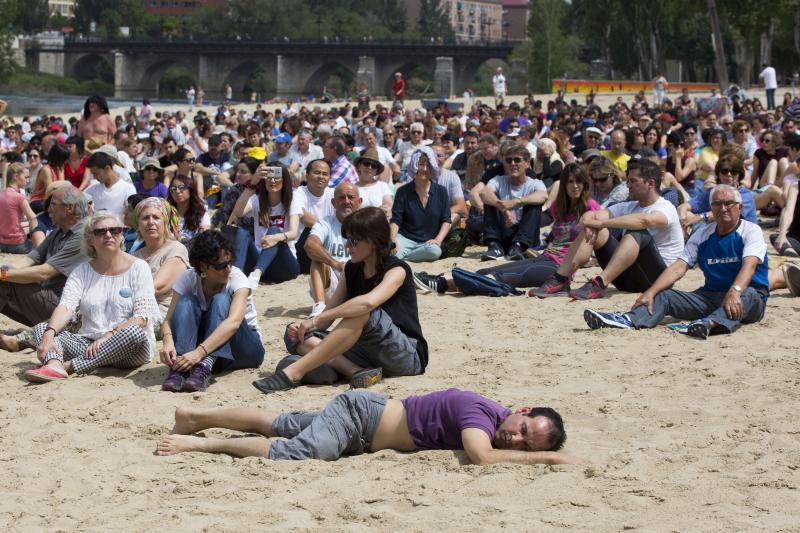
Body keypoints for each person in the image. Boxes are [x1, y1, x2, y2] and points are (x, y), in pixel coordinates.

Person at [154, 388, 589, 467]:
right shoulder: (480, 416)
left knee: (282, 424)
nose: (515, 438)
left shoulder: (491, 413)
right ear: (523, 409)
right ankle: (201, 443)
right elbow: (483, 456)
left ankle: (195, 415)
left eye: (525, 445)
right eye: (524, 429)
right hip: (360, 420)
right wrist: (550, 458)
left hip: (363, 423)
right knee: (298, 452)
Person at [251, 206, 427, 393]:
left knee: (361, 313)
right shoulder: (351, 269)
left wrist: (315, 320)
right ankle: (357, 372)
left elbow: (368, 303)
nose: (347, 246)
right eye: (347, 240)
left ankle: (296, 373)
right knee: (295, 336)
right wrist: (307, 325)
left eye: (353, 241)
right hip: (365, 353)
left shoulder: (397, 270)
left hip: (404, 355)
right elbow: (328, 317)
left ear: (373, 241)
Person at [585, 184, 769, 339]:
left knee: (750, 294)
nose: (723, 208)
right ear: (711, 208)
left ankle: (711, 323)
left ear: (740, 207)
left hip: (747, 297)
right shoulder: (703, 234)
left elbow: (750, 265)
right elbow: (678, 268)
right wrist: (650, 292)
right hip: (711, 296)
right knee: (663, 294)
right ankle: (628, 319)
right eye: (717, 204)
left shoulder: (750, 231)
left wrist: (735, 291)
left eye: (729, 203)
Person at [415, 164, 600, 294]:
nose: (575, 186)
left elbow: (601, 232)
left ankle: (441, 285)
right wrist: (510, 214)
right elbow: (543, 222)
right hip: (545, 257)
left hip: (560, 267)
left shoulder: (591, 207)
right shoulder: (560, 207)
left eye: (579, 182)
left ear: (585, 184)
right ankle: (438, 279)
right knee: (488, 270)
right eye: (570, 182)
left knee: (500, 276)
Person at [24, 211, 159, 383]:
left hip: (128, 347)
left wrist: (109, 336)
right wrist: (49, 334)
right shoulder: (81, 271)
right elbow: (66, 306)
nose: (108, 235)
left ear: (122, 235)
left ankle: (65, 367)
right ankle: (55, 363)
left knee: (134, 333)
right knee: (42, 329)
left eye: (115, 230)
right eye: (100, 232)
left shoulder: (139, 267)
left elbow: (142, 317)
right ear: (90, 239)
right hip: (89, 344)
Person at [534, 159, 684, 299]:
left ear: (650, 184)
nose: (628, 185)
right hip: (626, 279)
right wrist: (592, 222)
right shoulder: (629, 206)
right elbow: (590, 215)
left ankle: (599, 283)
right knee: (594, 227)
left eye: (633, 181)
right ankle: (561, 279)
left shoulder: (665, 207)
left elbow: (645, 220)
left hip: (657, 280)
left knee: (637, 233)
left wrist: (603, 223)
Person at [159, 230, 264, 392]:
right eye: (221, 265)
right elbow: (168, 320)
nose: (228, 269)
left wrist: (199, 353)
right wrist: (168, 341)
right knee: (186, 301)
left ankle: (203, 366)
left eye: (230, 262)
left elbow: (234, 323)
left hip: (243, 348)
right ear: (203, 266)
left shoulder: (238, 279)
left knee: (221, 300)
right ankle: (181, 366)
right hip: (207, 348)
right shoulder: (188, 278)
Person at [0, 185, 88, 348]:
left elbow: (44, 273)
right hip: (49, 302)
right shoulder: (59, 231)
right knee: (6, 275)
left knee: (6, 280)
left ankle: (20, 341)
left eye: (53, 204)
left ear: (69, 208)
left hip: (65, 310)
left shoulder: (82, 235)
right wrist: (4, 270)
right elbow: (28, 260)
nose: (48, 209)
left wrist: (4, 275)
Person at [229, 161, 301, 286]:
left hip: (285, 266)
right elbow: (238, 212)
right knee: (241, 233)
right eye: (268, 176)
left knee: (274, 230)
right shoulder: (256, 199)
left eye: (277, 176)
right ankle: (235, 276)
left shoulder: (293, 199)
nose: (272, 180)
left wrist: (274, 237)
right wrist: (252, 184)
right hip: (261, 262)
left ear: (284, 179)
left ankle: (256, 274)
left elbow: (293, 233)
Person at [131, 197, 189, 336]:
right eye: (145, 218)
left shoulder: (176, 249)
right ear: (138, 224)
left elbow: (157, 287)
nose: (150, 222)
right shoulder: (134, 255)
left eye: (156, 217)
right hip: (133, 310)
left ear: (165, 222)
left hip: (159, 313)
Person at [479, 145, 547, 261]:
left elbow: (543, 196)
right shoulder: (498, 180)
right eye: (509, 160)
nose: (512, 163)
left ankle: (518, 246)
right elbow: (484, 193)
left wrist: (516, 202)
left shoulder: (535, 183)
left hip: (526, 236)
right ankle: (495, 246)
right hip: (505, 231)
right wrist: (503, 208)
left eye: (517, 160)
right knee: (490, 200)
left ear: (527, 163)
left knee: (534, 203)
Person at [305, 181, 362, 318]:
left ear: (359, 202)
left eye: (351, 197)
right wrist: (336, 264)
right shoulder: (325, 223)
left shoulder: (366, 223)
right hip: (332, 286)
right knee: (317, 259)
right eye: (341, 198)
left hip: (359, 282)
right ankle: (320, 305)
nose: (346, 201)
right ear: (333, 202)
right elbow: (309, 245)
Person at [390, 147, 451, 262]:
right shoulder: (402, 191)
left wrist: (438, 240)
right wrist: (393, 240)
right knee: (392, 253)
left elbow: (446, 220)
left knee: (435, 252)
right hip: (405, 238)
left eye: (428, 165)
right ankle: (402, 256)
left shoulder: (441, 191)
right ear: (414, 166)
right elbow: (395, 220)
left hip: (428, 243)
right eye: (421, 164)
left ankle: (405, 257)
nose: (424, 169)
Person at [678, 155, 758, 230]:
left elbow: (727, 213)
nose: (729, 174)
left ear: (739, 175)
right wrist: (683, 222)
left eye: (733, 172)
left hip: (743, 235)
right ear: (718, 174)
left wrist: (699, 218)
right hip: (721, 233)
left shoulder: (745, 194)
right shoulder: (713, 192)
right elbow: (684, 206)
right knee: (687, 215)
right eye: (724, 171)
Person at [292, 158, 334, 274]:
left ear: (329, 178)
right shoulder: (298, 193)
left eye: (325, 174)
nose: (321, 176)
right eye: (317, 173)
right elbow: (304, 218)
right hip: (302, 248)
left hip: (327, 245)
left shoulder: (333, 194)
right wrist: (329, 229)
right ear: (307, 175)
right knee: (311, 230)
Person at [85, 151, 137, 217]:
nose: (94, 177)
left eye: (96, 173)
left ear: (107, 168)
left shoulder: (128, 188)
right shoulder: (93, 188)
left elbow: (132, 214)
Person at [0, 163, 38, 254]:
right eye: (26, 177)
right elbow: (33, 218)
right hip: (18, 245)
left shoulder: (1, 195)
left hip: (2, 244)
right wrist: (36, 242)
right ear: (16, 176)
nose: (27, 181)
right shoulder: (19, 197)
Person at [167, 174, 211, 241]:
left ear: (190, 190)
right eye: (173, 189)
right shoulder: (166, 214)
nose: (177, 191)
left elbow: (205, 235)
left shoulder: (201, 213)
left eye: (181, 187)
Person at [29, 143, 69, 213]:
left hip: (54, 200)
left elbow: (62, 187)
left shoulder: (60, 168)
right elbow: (51, 190)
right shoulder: (46, 170)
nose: (65, 161)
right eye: (64, 159)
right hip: (39, 200)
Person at [355, 148, 393, 217]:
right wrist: (377, 210)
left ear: (376, 170)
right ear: (359, 165)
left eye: (374, 165)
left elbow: (388, 208)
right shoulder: (353, 188)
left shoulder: (382, 186)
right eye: (366, 163)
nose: (370, 167)